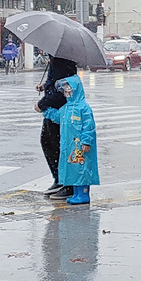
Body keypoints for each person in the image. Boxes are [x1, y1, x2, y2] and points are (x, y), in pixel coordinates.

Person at [42, 75, 99, 205]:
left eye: (70, 88)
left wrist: (86, 141)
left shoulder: (83, 108)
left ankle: (83, 193)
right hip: (69, 146)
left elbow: (89, 126)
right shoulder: (66, 108)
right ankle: (76, 193)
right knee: (73, 170)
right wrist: (45, 110)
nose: (68, 91)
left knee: (81, 169)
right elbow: (57, 117)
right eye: (65, 89)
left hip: (80, 147)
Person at [33, 56, 78, 199]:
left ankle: (67, 184)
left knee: (59, 147)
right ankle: (59, 179)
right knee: (48, 142)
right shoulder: (57, 60)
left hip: (59, 112)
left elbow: (61, 89)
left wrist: (41, 104)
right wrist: (46, 85)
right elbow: (55, 83)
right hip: (54, 112)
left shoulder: (61, 61)